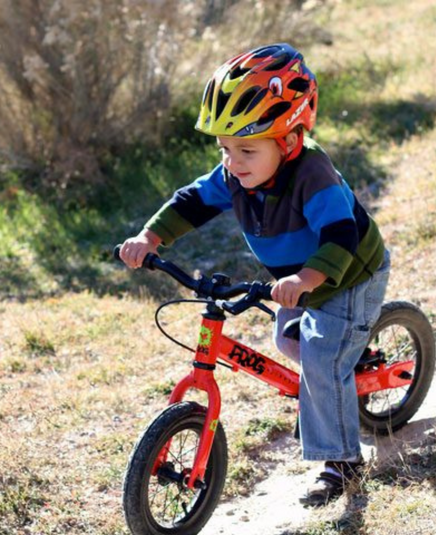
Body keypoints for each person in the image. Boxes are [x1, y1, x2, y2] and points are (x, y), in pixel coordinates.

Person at [119, 43, 390, 506]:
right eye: (225, 148)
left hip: (347, 276)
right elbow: (193, 201)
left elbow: (340, 235)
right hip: (297, 281)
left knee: (322, 359)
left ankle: (342, 464)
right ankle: (353, 362)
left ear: (288, 141)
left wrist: (307, 280)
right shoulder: (234, 174)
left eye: (246, 148)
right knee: (289, 343)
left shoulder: (313, 175)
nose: (232, 161)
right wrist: (151, 237)